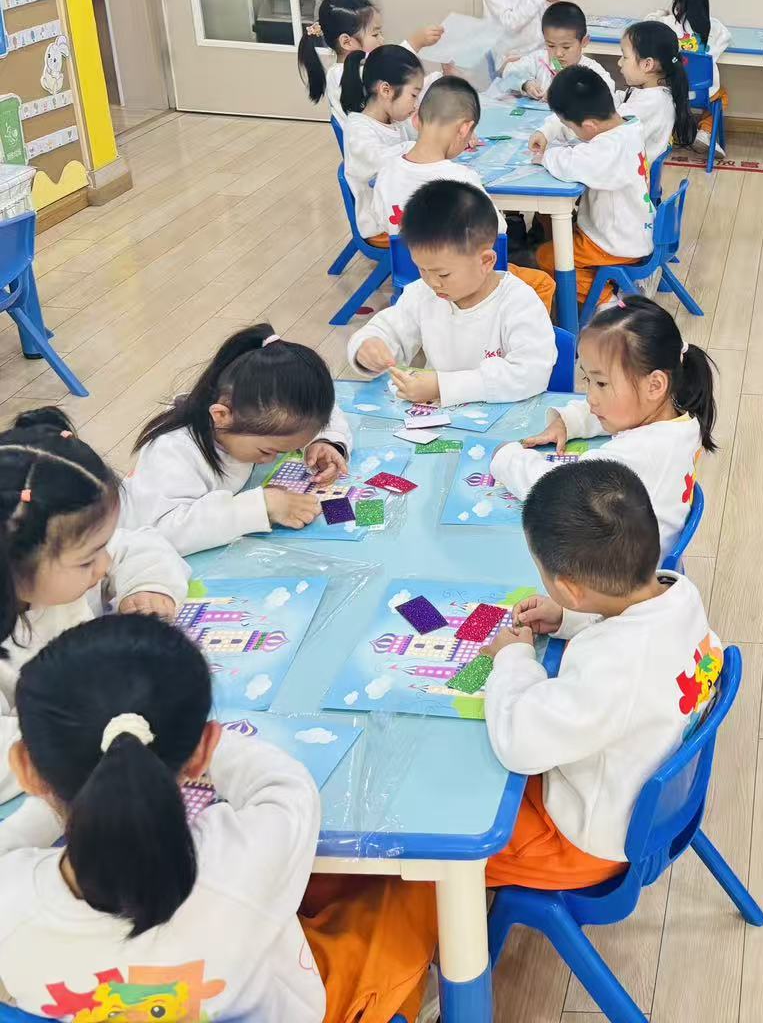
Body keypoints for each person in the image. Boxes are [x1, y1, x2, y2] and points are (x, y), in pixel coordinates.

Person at [0, 615, 437, 1023]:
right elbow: (286, 787)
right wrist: (202, 749)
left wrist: (61, 795)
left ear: (24, 768)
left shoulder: (10, 898)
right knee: (415, 889)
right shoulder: (240, 857)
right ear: (205, 749)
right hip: (289, 1007)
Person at [479, 460, 724, 891]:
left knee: (441, 850)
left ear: (571, 588)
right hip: (644, 799)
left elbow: (519, 743)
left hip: (587, 843)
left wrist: (514, 658)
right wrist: (568, 618)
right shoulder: (678, 594)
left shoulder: (613, 673)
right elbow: (630, 626)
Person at [0, 407, 189, 801]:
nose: (103, 566)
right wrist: (86, 726)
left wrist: (149, 587)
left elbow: (140, 545)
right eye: (88, 560)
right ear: (11, 564)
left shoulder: (57, 557)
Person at [492, 297, 714, 557]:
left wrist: (507, 458)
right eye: (587, 379)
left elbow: (554, 491)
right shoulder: (679, 419)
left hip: (621, 574)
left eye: (601, 383)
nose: (590, 398)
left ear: (654, 385)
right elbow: (618, 410)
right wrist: (568, 422)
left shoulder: (636, 456)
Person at [124, 326, 350, 555]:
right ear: (221, 416)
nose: (271, 460)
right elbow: (164, 533)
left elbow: (322, 411)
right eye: (268, 451)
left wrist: (326, 441)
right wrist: (262, 507)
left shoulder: (248, 417)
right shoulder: (173, 452)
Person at [347, 180, 555, 405]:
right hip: (437, 417)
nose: (432, 282)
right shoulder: (422, 294)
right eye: (422, 269)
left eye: (443, 274)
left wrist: (442, 386)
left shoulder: (518, 302)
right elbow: (389, 328)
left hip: (504, 416)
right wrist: (368, 346)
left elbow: (532, 373)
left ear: (486, 261)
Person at [371, 76, 558, 310]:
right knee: (542, 283)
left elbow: (380, 221)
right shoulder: (461, 177)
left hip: (412, 280)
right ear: (464, 129)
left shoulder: (387, 171)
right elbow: (498, 230)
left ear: (417, 120)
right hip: (467, 284)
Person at [528, 65, 655, 304]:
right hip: (631, 231)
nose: (570, 130)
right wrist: (546, 132)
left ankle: (607, 301)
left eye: (571, 126)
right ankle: (603, 284)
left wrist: (544, 156)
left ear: (589, 126)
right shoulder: (627, 124)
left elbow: (569, 164)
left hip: (615, 243)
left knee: (547, 257)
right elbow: (573, 128)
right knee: (551, 226)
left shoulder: (608, 150)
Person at [295, 0, 441, 129]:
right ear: (346, 42)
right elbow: (392, 67)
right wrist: (415, 43)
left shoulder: (344, 70)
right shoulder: (345, 74)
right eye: (375, 34)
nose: (382, 40)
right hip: (374, 141)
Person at [337, 44, 427, 245]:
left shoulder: (395, 121)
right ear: (386, 90)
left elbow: (424, 135)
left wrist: (447, 133)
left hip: (400, 204)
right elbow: (381, 161)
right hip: (380, 222)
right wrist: (417, 147)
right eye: (413, 95)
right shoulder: (358, 129)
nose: (415, 104)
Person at [648, 0, 730, 150]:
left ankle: (669, 131)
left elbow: (646, 24)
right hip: (702, 93)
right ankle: (705, 132)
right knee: (721, 95)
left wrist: (663, 13)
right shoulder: (715, 27)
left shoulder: (665, 24)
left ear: (676, 0)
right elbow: (726, 38)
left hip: (670, 89)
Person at [496, 0, 615, 104]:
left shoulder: (592, 70)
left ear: (584, 41)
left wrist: (567, 94)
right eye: (551, 45)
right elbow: (509, 72)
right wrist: (525, 84)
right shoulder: (539, 60)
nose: (558, 54)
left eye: (566, 47)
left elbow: (606, 95)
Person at [616, 19, 697, 169]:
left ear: (647, 64)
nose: (619, 63)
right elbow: (621, 100)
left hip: (628, 176)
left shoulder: (650, 102)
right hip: (634, 171)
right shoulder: (657, 93)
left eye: (625, 57)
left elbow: (609, 127)